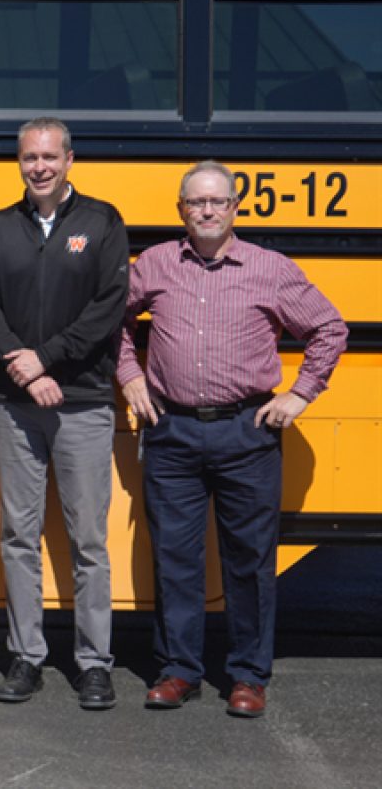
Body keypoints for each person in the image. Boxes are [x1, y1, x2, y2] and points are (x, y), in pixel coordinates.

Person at [118, 161, 347, 718]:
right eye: (197, 202)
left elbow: (328, 328)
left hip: (247, 432)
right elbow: (112, 322)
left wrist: (300, 394)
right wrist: (129, 376)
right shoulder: (154, 264)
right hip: (172, 431)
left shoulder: (270, 269)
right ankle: (178, 670)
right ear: (180, 210)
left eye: (218, 201)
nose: (207, 210)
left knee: (249, 560)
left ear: (235, 208)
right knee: (174, 557)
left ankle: (248, 676)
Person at [0, 117, 129, 709]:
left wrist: (45, 359)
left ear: (69, 160)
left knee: (88, 539)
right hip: (15, 406)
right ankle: (26, 656)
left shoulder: (102, 222)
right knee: (18, 535)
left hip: (82, 404)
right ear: (19, 163)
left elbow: (108, 308)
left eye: (48, 157)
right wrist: (25, 370)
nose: (38, 167)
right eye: (29, 158)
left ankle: (94, 663)